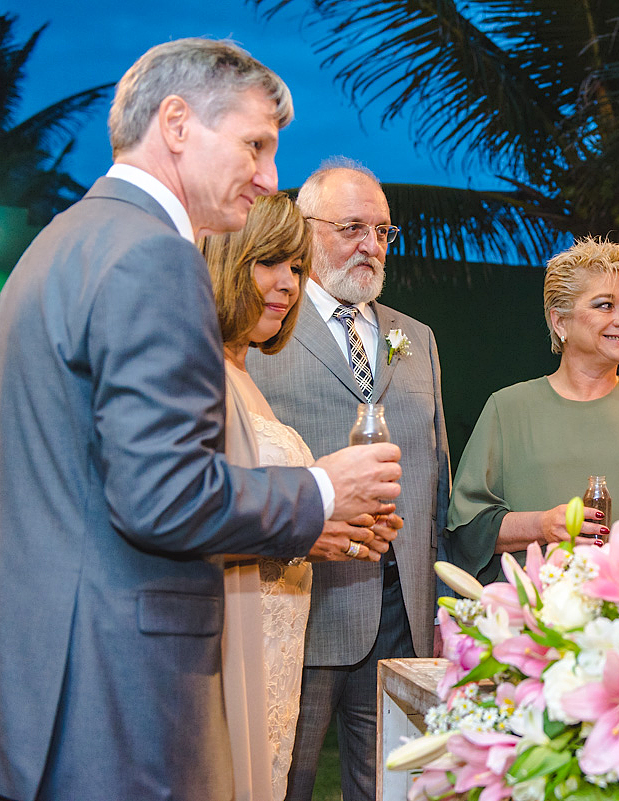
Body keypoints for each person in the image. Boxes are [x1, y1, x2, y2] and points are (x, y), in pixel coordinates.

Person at [0, 40, 401, 801]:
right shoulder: (155, 257)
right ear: (175, 123)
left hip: (28, 698)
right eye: (254, 144)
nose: (269, 175)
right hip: (113, 704)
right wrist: (323, 490)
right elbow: (164, 497)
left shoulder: (57, 245)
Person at [246, 158, 450, 801]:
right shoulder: (262, 330)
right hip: (303, 603)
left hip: (400, 611)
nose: (372, 245)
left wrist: (437, 602)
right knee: (286, 782)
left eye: (383, 231)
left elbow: (437, 480)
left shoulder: (416, 338)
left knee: (394, 787)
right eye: (352, 227)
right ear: (305, 229)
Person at [201, 192, 400, 801]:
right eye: (268, 262)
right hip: (226, 635)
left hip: (276, 640)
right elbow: (189, 511)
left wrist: (332, 534)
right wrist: (313, 511)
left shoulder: (241, 371)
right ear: (225, 262)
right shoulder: (199, 372)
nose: (288, 283)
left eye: (294, 266)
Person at [446, 236, 619, 585]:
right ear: (560, 322)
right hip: (540, 615)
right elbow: (468, 532)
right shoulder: (508, 409)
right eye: (605, 305)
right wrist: (542, 526)